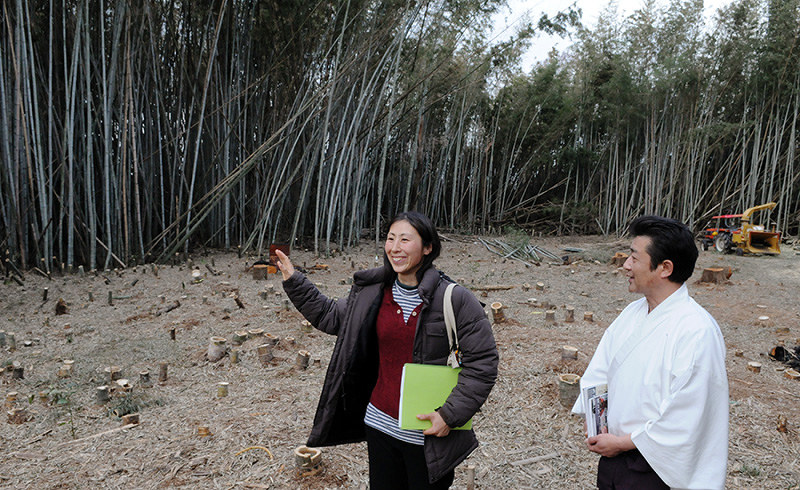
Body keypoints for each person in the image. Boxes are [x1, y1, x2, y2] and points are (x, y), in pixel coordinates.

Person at [276, 211, 498, 489]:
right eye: (391, 238)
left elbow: (483, 365)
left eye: (405, 240)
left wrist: (449, 415)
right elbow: (330, 315)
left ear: (428, 247)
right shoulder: (374, 293)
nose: (395, 247)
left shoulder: (455, 299)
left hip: (428, 435)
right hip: (379, 426)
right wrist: (294, 280)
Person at [572, 215, 729, 489]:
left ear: (664, 268)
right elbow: (601, 369)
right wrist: (596, 418)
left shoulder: (696, 330)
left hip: (657, 466)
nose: (626, 265)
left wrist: (623, 443)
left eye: (634, 258)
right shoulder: (632, 313)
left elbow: (687, 415)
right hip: (613, 457)